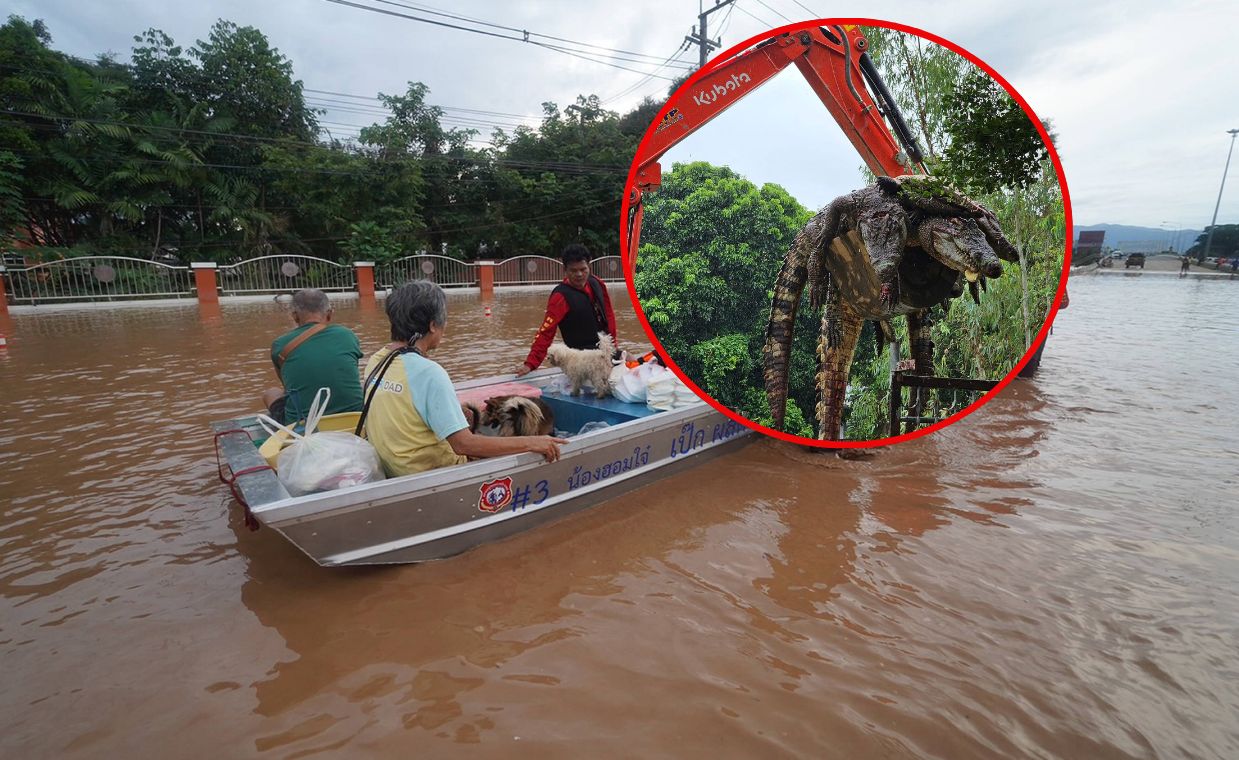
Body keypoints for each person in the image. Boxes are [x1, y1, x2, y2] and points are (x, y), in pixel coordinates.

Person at [363, 280, 565, 477]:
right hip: (432, 473)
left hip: (395, 467)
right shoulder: (429, 372)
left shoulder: (376, 360)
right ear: (433, 325)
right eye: (444, 319)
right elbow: (463, 445)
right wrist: (533, 442)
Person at [262, 288, 364, 424]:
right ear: (329, 314)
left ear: (295, 316)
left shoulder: (280, 344)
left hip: (301, 425)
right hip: (354, 417)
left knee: (271, 393)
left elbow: (287, 386)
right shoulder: (347, 335)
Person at [515, 243, 617, 377]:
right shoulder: (560, 297)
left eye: (583, 269)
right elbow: (546, 333)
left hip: (603, 350)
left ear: (589, 266)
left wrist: (613, 347)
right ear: (565, 270)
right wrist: (531, 363)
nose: (579, 274)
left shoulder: (597, 283)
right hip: (582, 358)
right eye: (573, 271)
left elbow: (608, 316)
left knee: (632, 361)